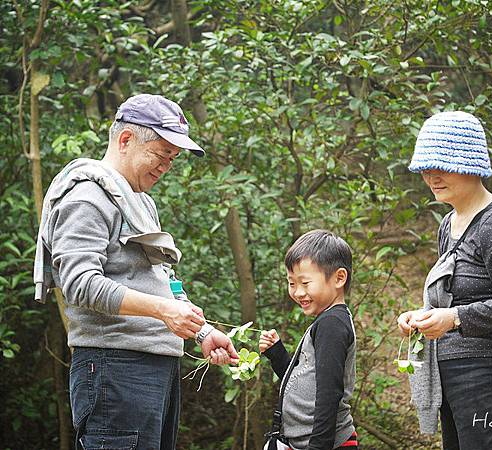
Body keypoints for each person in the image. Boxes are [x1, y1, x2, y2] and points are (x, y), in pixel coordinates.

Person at [33, 94, 239, 450]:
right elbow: (79, 283)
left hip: (154, 368)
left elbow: (163, 282)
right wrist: (163, 312)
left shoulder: (139, 201)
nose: (165, 167)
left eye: (172, 160)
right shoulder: (86, 195)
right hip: (114, 369)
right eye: (161, 155)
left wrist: (202, 331)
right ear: (126, 140)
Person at [397, 111, 492, 450]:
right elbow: (452, 298)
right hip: (452, 375)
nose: (432, 176)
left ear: (470, 163)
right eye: (426, 168)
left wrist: (454, 319)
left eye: (442, 165)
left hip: (491, 376)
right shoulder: (448, 223)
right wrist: (423, 316)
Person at [259, 230, 359, 450]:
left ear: (339, 278)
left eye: (305, 283)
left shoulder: (332, 324)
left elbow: (328, 394)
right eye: (292, 283)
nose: (297, 292)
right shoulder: (326, 320)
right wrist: (277, 354)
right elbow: (305, 380)